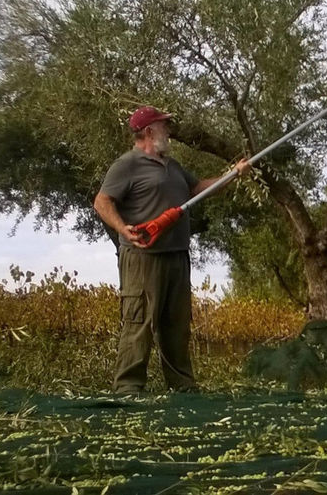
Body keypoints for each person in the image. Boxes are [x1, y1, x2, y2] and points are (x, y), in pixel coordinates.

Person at [93, 106, 251, 394]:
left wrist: (232, 175)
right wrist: (122, 228)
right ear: (149, 131)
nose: (170, 131)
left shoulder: (173, 166)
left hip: (177, 255)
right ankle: (128, 387)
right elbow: (102, 202)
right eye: (165, 126)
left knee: (176, 324)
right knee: (139, 321)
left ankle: (182, 386)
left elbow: (198, 189)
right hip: (142, 257)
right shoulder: (127, 165)